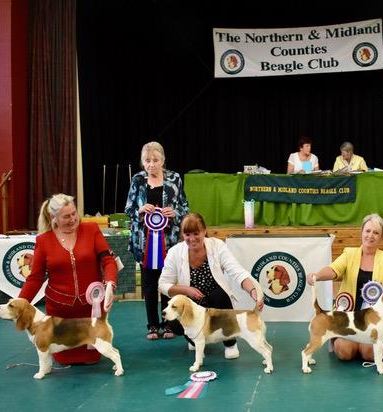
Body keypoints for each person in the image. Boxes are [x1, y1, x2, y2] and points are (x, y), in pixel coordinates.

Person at [19, 194, 117, 365]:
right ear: (53, 218)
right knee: (64, 360)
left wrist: (110, 283)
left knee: (92, 359)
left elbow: (108, 260)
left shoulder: (92, 229)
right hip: (60, 317)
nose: (73, 219)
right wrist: (20, 303)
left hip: (90, 311)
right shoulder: (43, 241)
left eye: (74, 213)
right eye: (66, 216)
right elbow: (35, 278)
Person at [159, 212, 263, 357]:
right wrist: (187, 290)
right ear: (182, 234)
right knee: (174, 322)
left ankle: (230, 343)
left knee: (221, 296)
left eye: (196, 233)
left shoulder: (217, 246)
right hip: (192, 301)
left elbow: (237, 272)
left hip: (215, 299)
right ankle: (193, 338)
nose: (192, 238)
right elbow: (163, 284)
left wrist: (252, 290)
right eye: (187, 234)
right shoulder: (174, 252)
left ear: (204, 231)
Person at [307, 213, 383, 361]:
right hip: (347, 319)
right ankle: (350, 342)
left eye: (376, 233)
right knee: (345, 352)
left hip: (373, 322)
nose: (371, 235)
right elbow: (334, 269)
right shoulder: (349, 253)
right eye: (368, 231)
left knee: (368, 354)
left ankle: (371, 346)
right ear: (362, 232)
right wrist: (317, 276)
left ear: (381, 237)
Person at [125, 141, 189, 340]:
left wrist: (175, 212)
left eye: (155, 160)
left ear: (163, 161)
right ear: (142, 162)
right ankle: (153, 325)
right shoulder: (137, 179)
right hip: (144, 244)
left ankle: (169, 324)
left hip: (169, 242)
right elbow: (128, 208)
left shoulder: (175, 178)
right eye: (147, 160)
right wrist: (140, 210)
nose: (151, 164)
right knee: (150, 285)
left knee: (168, 284)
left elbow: (185, 207)